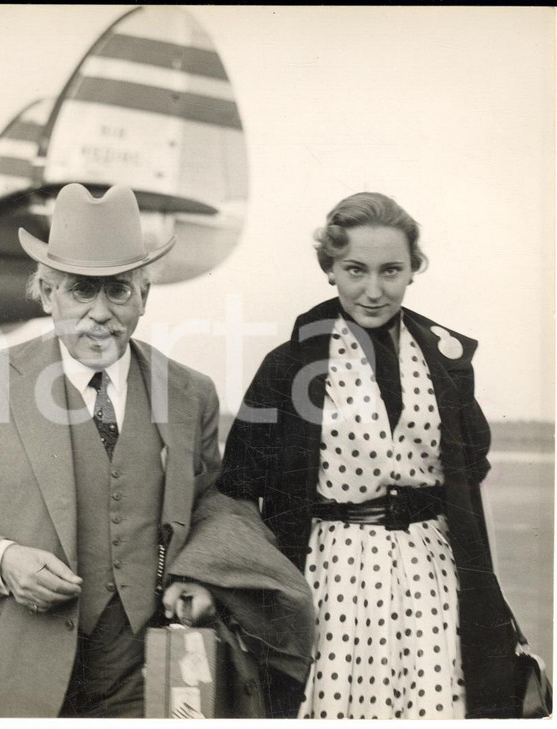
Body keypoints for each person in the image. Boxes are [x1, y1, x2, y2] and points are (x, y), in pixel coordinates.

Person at [0, 183, 314, 718]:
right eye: (80, 290)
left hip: (143, 670)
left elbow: (213, 503)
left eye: (117, 290)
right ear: (47, 295)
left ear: (144, 295)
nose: (99, 313)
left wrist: (200, 573)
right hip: (18, 666)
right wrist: (3, 561)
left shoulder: (190, 393)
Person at [216, 191, 521, 719]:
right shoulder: (288, 365)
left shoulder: (447, 364)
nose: (374, 290)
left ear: (412, 271)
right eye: (356, 269)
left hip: (432, 571)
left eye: (391, 271)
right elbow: (239, 486)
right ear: (330, 269)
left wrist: (487, 594)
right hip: (329, 573)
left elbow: (470, 479)